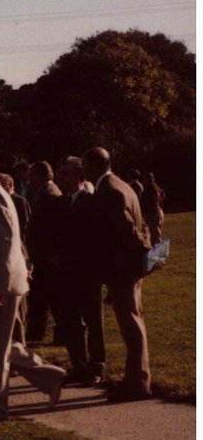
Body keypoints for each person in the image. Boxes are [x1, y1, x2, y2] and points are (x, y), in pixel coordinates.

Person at [0, 150, 66, 422]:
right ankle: (50, 376)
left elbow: (4, 243)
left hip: (2, 285)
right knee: (1, 344)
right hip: (1, 282)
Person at [82, 147, 153, 401]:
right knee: (135, 322)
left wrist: (146, 250)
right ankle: (136, 379)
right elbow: (141, 224)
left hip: (122, 269)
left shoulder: (108, 191)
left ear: (92, 166)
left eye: (84, 165)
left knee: (131, 326)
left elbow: (127, 229)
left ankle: (137, 384)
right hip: (130, 267)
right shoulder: (122, 185)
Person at [51, 157, 105, 385]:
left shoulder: (90, 201)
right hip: (66, 272)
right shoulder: (62, 203)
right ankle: (79, 364)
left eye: (65, 174)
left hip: (87, 271)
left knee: (93, 321)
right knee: (71, 320)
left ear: (79, 177)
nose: (60, 178)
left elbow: (95, 238)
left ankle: (96, 367)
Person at [25, 161, 63, 343]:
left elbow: (54, 228)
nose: (28, 178)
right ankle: (37, 332)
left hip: (47, 255)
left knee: (50, 297)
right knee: (42, 296)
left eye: (31, 174)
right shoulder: (45, 191)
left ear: (40, 175)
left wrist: (52, 254)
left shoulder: (50, 194)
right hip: (43, 255)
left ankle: (52, 332)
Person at [140, 172, 165, 246]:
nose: (143, 180)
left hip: (152, 213)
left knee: (155, 236)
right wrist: (159, 202)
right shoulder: (154, 186)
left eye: (145, 178)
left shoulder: (149, 188)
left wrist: (154, 205)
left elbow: (151, 199)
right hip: (157, 212)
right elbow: (163, 193)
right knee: (155, 235)